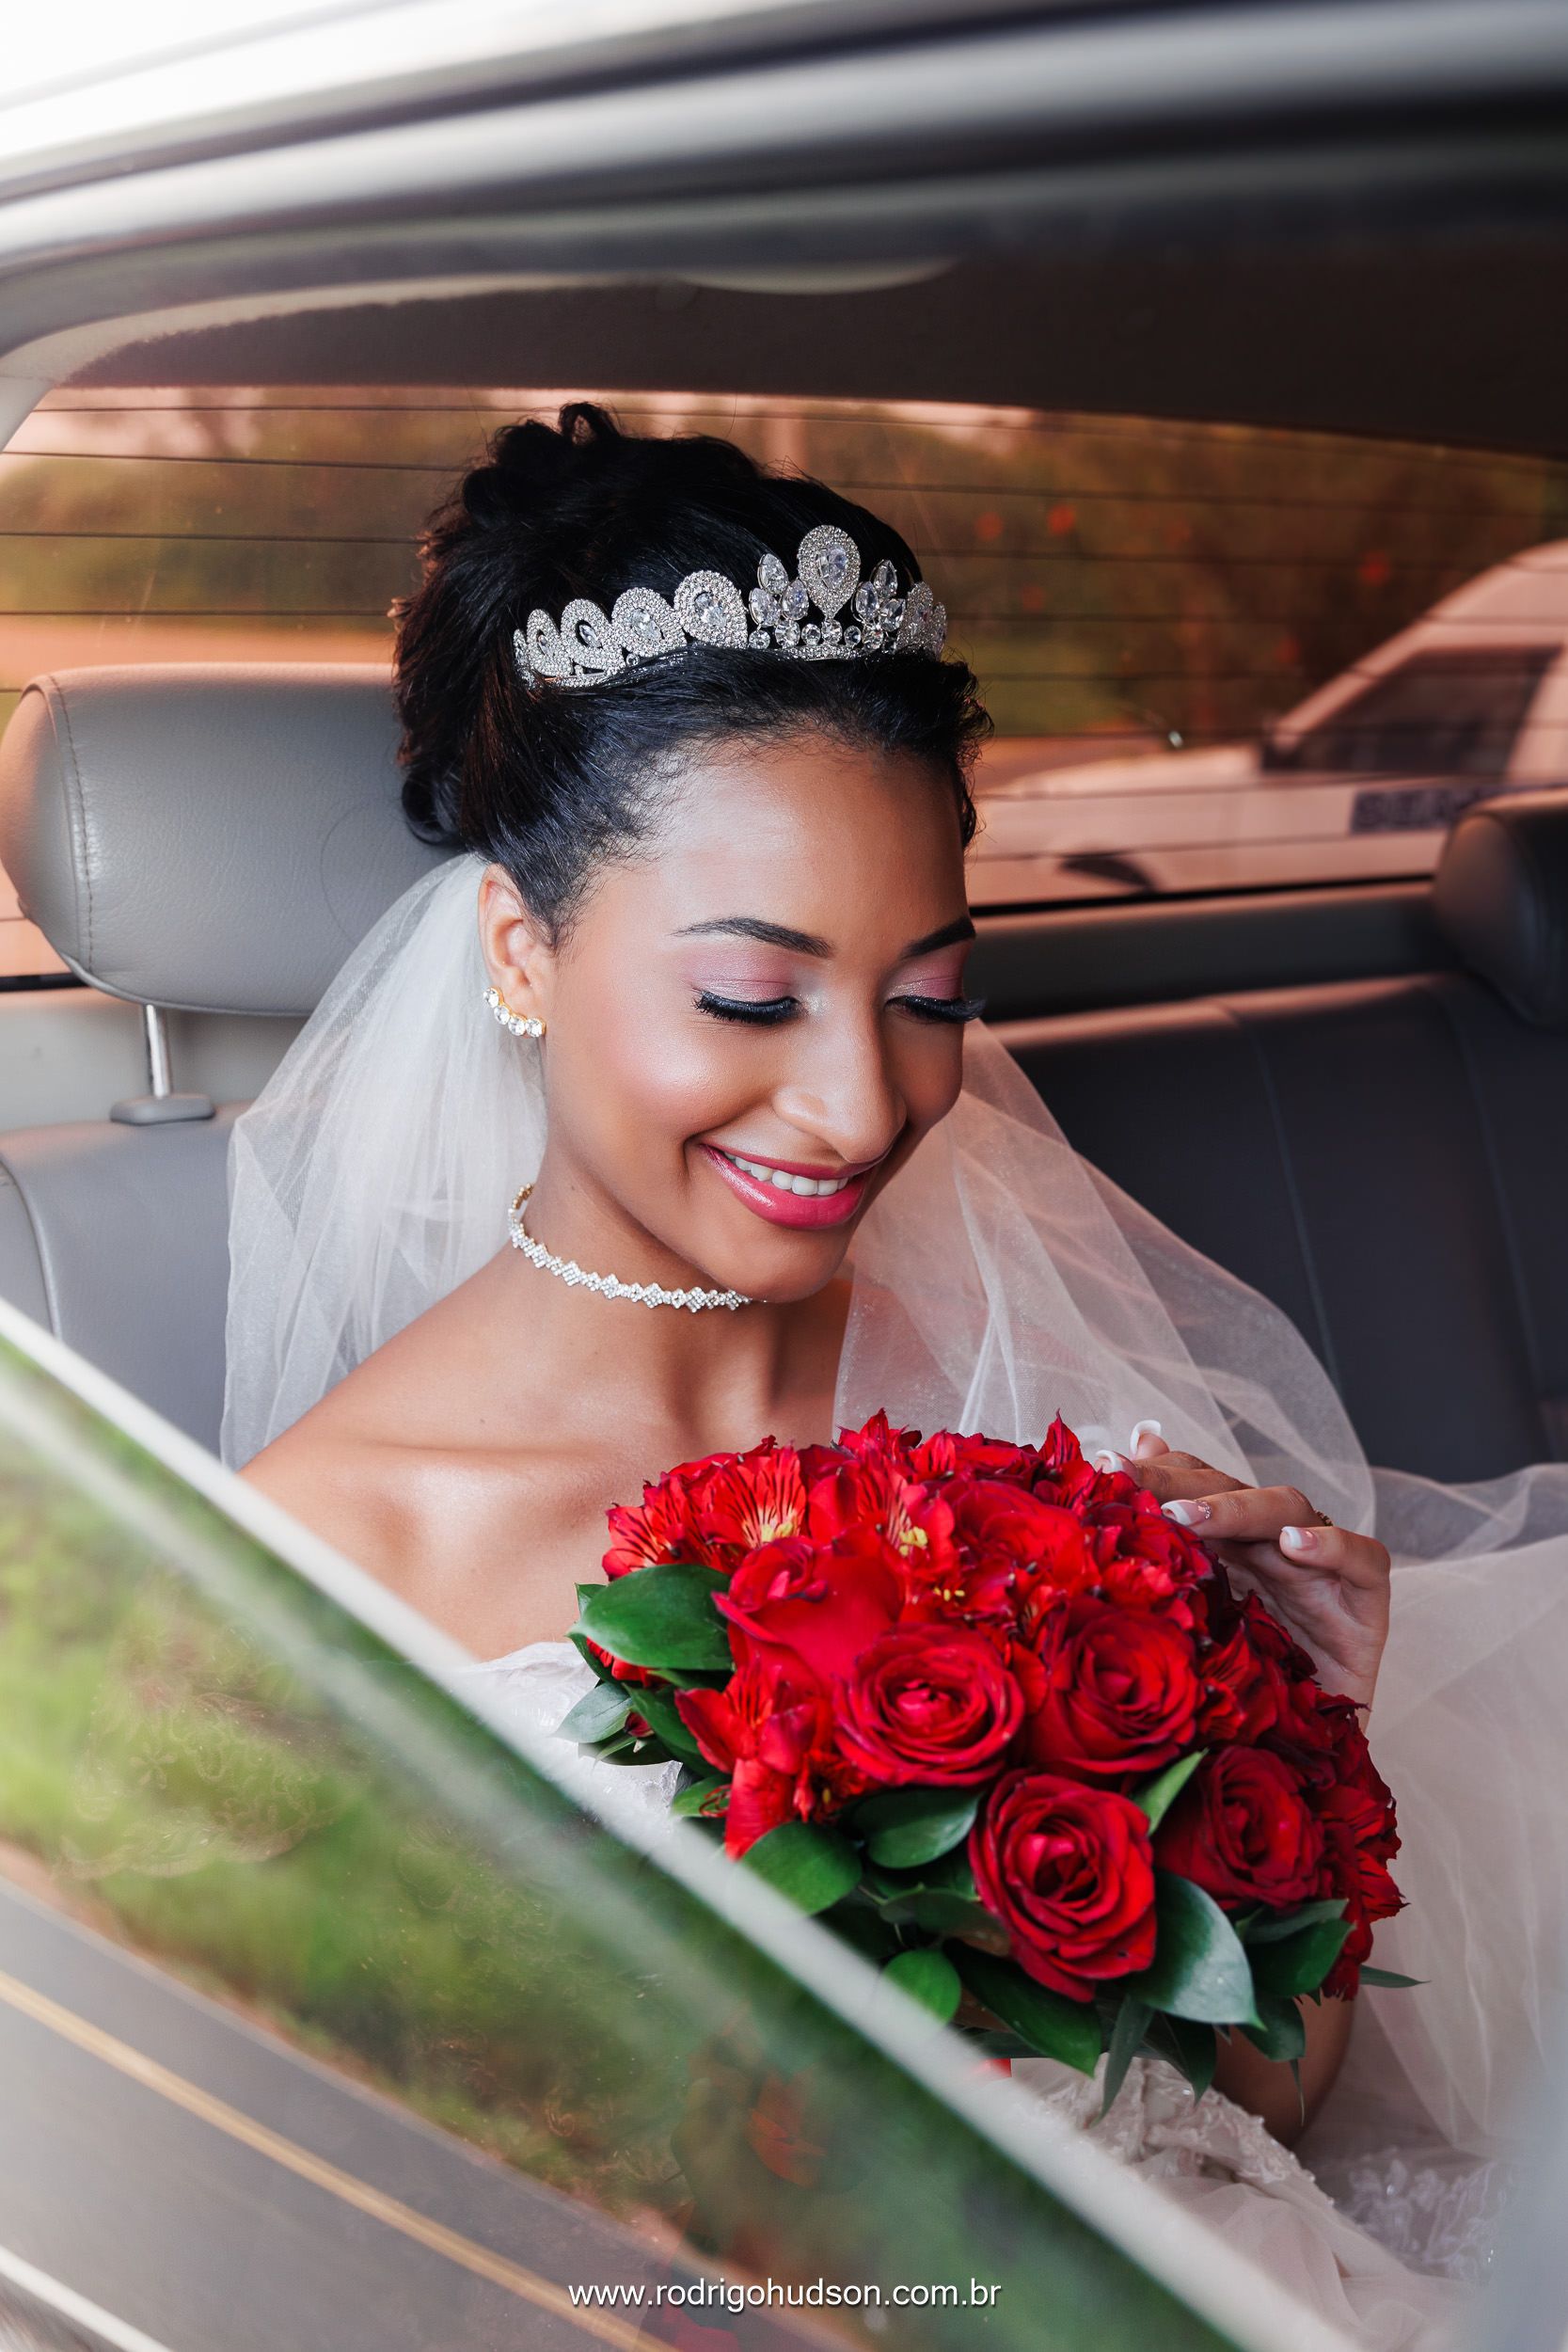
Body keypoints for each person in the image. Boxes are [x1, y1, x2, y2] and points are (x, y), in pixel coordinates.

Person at [225, 404, 1560, 2347]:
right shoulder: (319, 1576)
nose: (865, 1103)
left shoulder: (1062, 1430)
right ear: (520, 948)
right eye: (751, 997)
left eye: (931, 994)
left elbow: (1255, 2119)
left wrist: (1306, 1780)